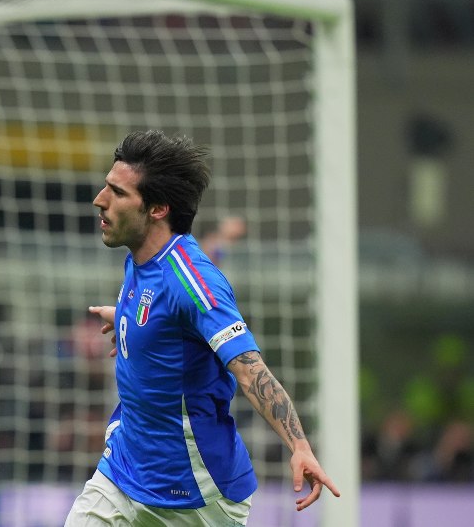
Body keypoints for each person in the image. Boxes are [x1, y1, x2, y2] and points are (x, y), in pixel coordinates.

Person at [65, 130, 339, 526]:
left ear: (158, 209)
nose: (100, 199)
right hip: (123, 473)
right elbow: (160, 314)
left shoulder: (194, 282)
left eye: (118, 192)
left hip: (196, 494)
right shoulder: (139, 259)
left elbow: (250, 371)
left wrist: (299, 446)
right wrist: (127, 320)